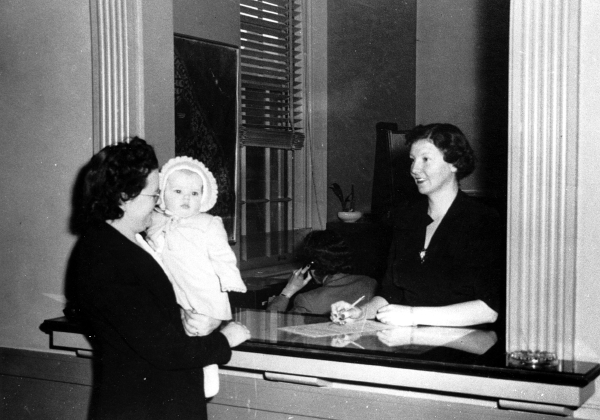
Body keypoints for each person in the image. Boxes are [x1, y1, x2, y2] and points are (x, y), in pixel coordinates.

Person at [74, 138, 250, 420]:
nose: (159, 205)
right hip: (146, 407)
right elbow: (165, 350)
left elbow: (145, 320)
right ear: (124, 196)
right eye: (154, 196)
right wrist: (225, 339)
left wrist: (187, 316)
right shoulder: (108, 257)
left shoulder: (122, 244)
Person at [331, 123, 503, 327]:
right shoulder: (406, 218)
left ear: (454, 163)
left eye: (426, 159)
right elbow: (391, 295)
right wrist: (360, 312)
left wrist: (413, 316)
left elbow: (489, 309)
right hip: (408, 341)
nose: (414, 169)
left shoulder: (481, 220)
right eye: (412, 160)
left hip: (464, 345)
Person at [146, 156, 247, 398]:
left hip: (203, 289)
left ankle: (208, 370)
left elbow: (222, 256)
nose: (186, 198)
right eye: (178, 191)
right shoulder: (154, 221)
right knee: (183, 332)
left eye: (194, 193)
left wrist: (230, 280)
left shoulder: (208, 223)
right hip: (175, 290)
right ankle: (195, 372)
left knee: (202, 329)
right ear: (162, 193)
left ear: (203, 197)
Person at [267, 230, 378, 314]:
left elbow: (271, 327)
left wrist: (286, 292)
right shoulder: (371, 283)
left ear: (311, 265)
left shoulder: (306, 301)